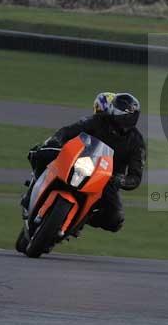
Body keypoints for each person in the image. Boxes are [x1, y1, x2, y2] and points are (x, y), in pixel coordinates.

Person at [24, 92, 145, 233]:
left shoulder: (137, 142)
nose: (113, 112)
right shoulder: (99, 120)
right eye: (113, 108)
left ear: (130, 116)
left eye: (118, 110)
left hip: (106, 180)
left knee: (115, 220)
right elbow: (71, 130)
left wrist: (120, 180)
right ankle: (31, 192)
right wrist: (57, 139)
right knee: (42, 153)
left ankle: (84, 218)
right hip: (80, 161)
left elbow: (135, 177)